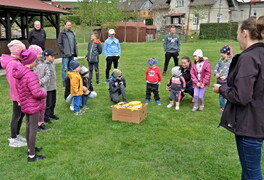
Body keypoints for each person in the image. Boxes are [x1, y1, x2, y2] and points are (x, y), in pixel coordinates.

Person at [213, 16, 264, 180]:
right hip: (259, 121)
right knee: (248, 171)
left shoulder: (249, 58)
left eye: (237, 33)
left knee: (252, 173)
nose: (237, 38)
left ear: (245, 33)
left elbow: (241, 96)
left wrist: (221, 89)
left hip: (250, 125)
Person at [12, 49, 47, 162]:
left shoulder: (20, 72)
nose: (37, 61)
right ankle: (32, 155)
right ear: (31, 61)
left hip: (25, 104)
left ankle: (30, 149)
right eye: (35, 60)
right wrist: (44, 93)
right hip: (32, 104)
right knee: (33, 129)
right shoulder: (30, 75)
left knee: (28, 126)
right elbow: (36, 93)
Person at [0, 40, 27, 147]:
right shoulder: (12, 64)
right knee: (16, 115)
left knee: (21, 114)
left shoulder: (17, 61)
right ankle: (13, 139)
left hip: (21, 94)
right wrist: (19, 98)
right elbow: (13, 82)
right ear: (17, 51)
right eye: (22, 50)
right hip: (17, 95)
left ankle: (17, 134)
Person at [29, 45, 50, 132]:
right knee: (35, 107)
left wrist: (41, 81)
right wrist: (35, 83)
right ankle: (34, 124)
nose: (41, 55)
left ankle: (41, 122)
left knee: (42, 106)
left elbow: (48, 74)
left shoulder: (43, 63)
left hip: (43, 89)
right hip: (33, 90)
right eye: (39, 54)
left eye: (41, 53)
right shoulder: (30, 64)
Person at [58, 20, 78, 85]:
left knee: (71, 68)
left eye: (70, 25)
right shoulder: (62, 34)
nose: (69, 26)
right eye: (68, 25)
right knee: (65, 68)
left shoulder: (72, 33)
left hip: (72, 54)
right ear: (65, 25)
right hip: (65, 54)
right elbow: (59, 44)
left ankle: (70, 80)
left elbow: (74, 43)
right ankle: (64, 81)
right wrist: (63, 51)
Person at [214, 45, 233, 114]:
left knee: (227, 95)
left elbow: (232, 71)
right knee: (221, 95)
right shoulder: (220, 60)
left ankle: (229, 107)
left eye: (222, 53)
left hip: (226, 82)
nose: (220, 54)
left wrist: (226, 76)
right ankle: (222, 108)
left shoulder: (231, 61)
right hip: (219, 81)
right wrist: (216, 73)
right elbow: (216, 67)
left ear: (226, 53)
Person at [43, 49, 59, 124]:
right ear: (46, 56)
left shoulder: (52, 63)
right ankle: (46, 117)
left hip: (53, 86)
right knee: (48, 103)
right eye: (51, 56)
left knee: (53, 101)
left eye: (54, 56)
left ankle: (51, 114)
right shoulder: (44, 65)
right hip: (48, 88)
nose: (53, 58)